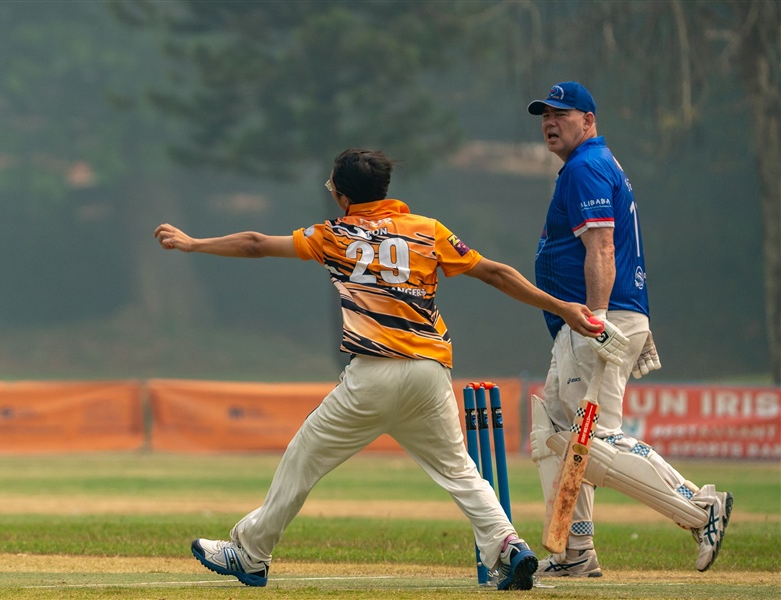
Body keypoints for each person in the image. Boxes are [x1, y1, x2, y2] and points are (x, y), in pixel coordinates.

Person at [155, 148, 607, 591]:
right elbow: (495, 273)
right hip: (430, 374)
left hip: (372, 375)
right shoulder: (427, 230)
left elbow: (256, 244)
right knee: (461, 472)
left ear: (342, 196)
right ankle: (508, 546)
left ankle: (251, 554)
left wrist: (194, 244)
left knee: (301, 460)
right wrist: (561, 307)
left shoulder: (333, 233)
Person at [526, 82, 733, 578]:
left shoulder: (586, 167)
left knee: (594, 440)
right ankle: (575, 552)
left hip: (597, 318)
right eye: (545, 115)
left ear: (589, 120)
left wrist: (597, 319)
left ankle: (701, 509)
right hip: (592, 320)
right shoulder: (588, 165)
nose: (550, 122)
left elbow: (601, 246)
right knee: (552, 431)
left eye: (563, 113)